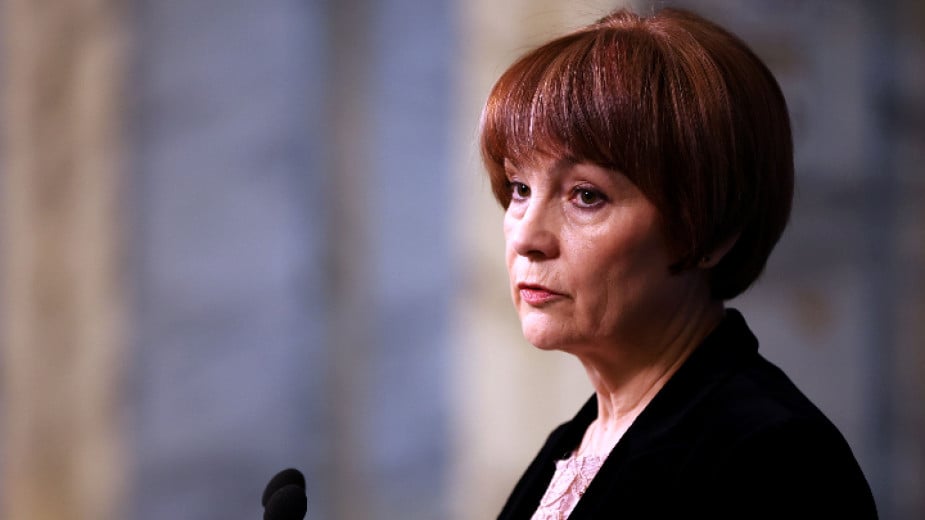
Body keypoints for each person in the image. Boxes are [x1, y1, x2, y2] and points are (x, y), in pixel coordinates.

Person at [478, 7, 878, 520]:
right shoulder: (575, 443)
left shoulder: (774, 460)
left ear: (711, 228)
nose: (526, 237)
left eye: (586, 195)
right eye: (519, 188)